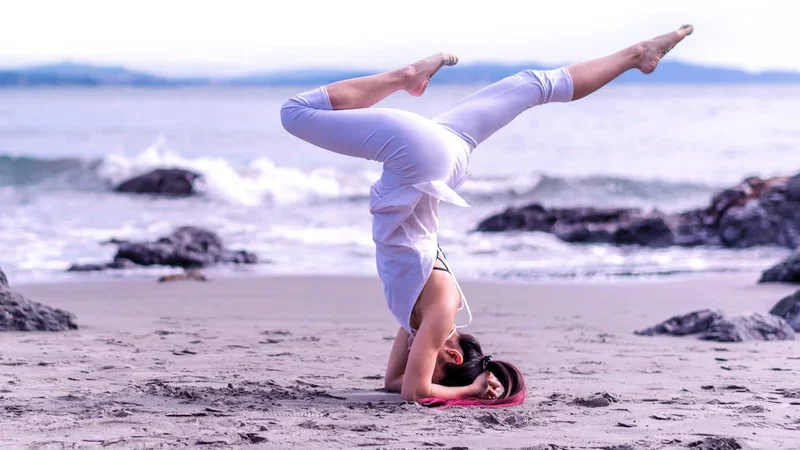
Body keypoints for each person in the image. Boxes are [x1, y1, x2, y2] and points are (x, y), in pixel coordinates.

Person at [280, 25, 695, 407]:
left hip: (445, 152)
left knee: (534, 85)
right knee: (294, 112)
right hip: (421, 157)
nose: (419, 359)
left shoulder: (423, 319)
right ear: (452, 355)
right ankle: (406, 76)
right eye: (431, 364)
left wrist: (449, 378)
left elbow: (395, 381)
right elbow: (414, 392)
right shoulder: (442, 310)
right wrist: (472, 389)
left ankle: (636, 55)